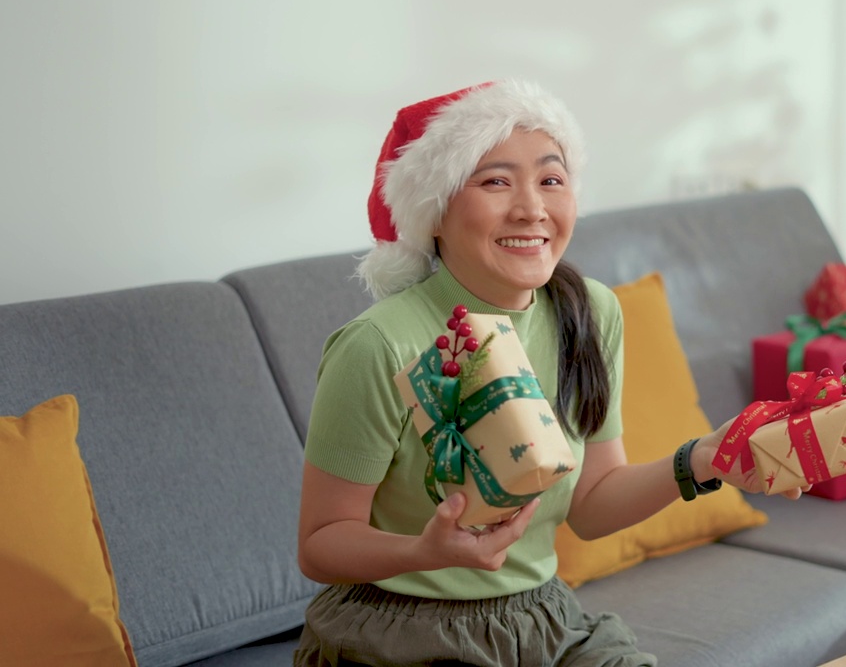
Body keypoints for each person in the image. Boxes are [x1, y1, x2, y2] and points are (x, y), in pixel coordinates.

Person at [294, 79, 801, 666]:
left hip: (543, 619)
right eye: (495, 180)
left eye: (551, 179)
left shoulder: (588, 312)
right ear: (436, 210)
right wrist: (425, 551)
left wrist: (703, 459)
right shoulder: (379, 344)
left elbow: (591, 504)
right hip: (399, 632)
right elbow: (319, 545)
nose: (532, 207)